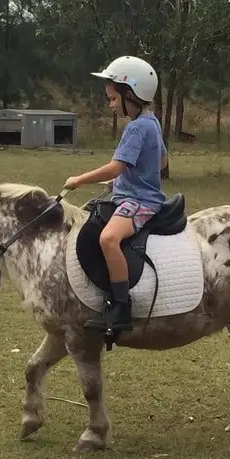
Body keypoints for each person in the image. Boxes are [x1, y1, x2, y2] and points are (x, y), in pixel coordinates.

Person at [63, 55, 168, 332]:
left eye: (112, 99)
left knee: (108, 239)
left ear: (130, 94)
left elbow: (115, 167)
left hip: (139, 202)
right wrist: (130, 178)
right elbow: (162, 163)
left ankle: (121, 306)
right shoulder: (152, 122)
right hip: (134, 194)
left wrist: (78, 180)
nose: (110, 105)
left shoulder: (136, 128)